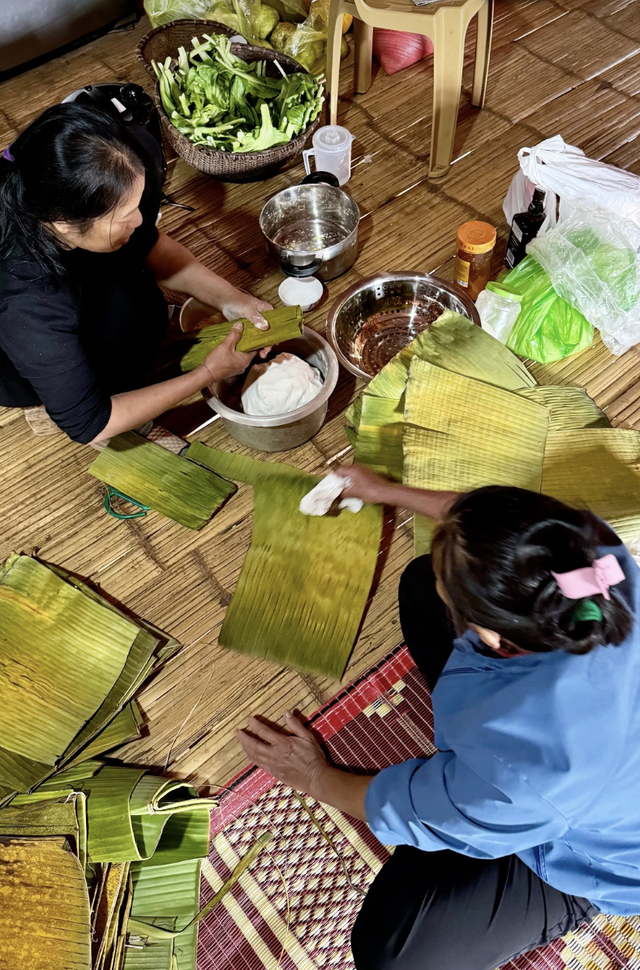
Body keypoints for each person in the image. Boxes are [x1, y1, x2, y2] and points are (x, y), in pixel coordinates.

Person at [237, 465, 640, 970]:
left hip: (598, 852)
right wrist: (385, 491)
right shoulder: (591, 558)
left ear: (495, 636)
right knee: (424, 583)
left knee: (395, 953)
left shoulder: (526, 770)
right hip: (591, 762)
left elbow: (412, 811)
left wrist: (315, 775)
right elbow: (489, 530)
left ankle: (569, 901)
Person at [0, 102, 272, 445]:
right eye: (125, 215)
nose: (141, 220)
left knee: (136, 300)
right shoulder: (28, 301)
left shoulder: (105, 164)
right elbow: (90, 423)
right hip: (16, 359)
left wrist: (231, 299)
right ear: (65, 224)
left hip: (75, 282)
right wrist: (209, 372)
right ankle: (52, 393)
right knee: (109, 354)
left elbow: (148, 243)